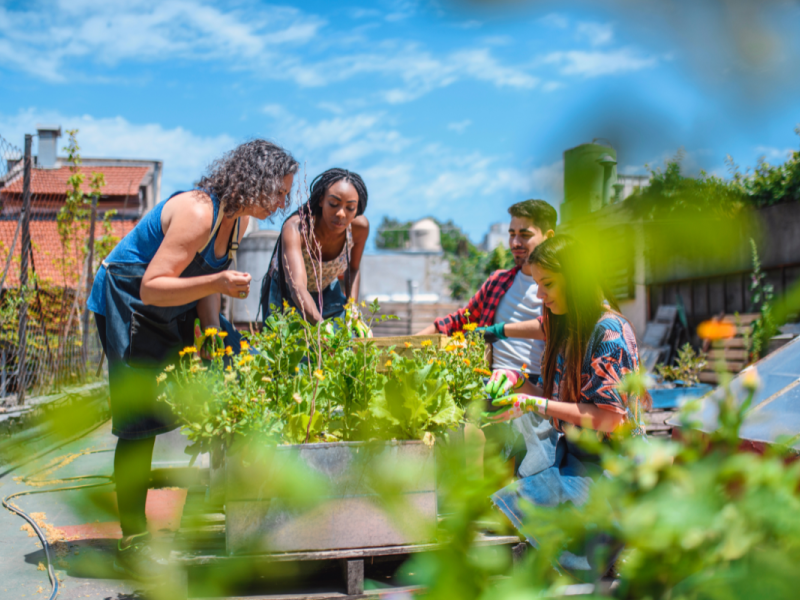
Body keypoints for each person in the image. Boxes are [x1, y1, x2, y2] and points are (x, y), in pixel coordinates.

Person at [87, 140, 298, 581]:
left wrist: (217, 338)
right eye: (280, 191)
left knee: (228, 367)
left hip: (168, 307)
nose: (284, 202)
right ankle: (134, 539)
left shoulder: (235, 223)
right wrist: (220, 281)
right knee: (139, 420)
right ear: (256, 181)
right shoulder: (200, 212)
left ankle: (225, 501)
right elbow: (151, 286)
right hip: (130, 301)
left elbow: (203, 290)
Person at [484, 234, 648, 574]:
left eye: (548, 284)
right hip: (574, 454)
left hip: (612, 468)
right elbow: (555, 396)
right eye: (537, 284)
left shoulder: (609, 332)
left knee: (546, 531)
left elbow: (607, 420)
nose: (540, 295)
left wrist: (531, 403)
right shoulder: (568, 326)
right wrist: (517, 381)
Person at [416, 199, 558, 477]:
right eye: (511, 233)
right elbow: (460, 320)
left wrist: (499, 331)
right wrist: (406, 343)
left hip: (535, 386)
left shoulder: (556, 287)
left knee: (485, 430)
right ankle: (476, 503)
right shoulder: (499, 282)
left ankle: (489, 504)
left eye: (525, 234)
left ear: (548, 236)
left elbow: (556, 326)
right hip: (490, 380)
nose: (516, 242)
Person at [261, 168, 369, 325]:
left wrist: (352, 307)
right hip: (287, 292)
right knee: (286, 346)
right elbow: (297, 286)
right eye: (333, 203)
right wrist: (322, 328)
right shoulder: (298, 228)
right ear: (321, 200)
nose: (341, 213)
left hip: (326, 288)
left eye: (350, 208)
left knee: (344, 341)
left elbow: (353, 269)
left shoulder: (359, 228)